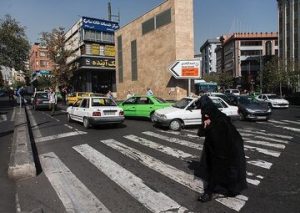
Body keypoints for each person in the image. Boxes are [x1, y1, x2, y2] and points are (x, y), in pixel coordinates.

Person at [195, 95, 247, 202]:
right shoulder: (211, 115)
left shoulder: (219, 119)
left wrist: (219, 156)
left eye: (204, 111)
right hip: (222, 147)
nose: (204, 114)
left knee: (221, 169)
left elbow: (221, 139)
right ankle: (231, 190)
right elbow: (201, 133)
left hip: (227, 148)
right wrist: (205, 126)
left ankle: (209, 193)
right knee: (227, 169)